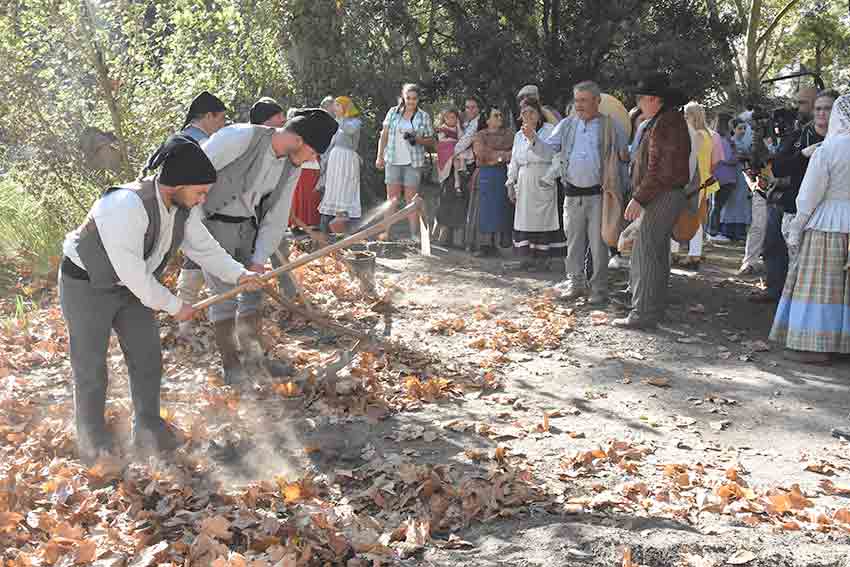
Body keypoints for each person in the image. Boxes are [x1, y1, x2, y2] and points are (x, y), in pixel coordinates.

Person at [60, 135, 261, 461]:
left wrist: (240, 274)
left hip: (132, 288)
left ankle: (149, 428)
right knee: (91, 365)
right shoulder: (124, 206)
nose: (202, 199)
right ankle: (92, 437)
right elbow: (133, 273)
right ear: (176, 184)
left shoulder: (182, 207)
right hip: (86, 285)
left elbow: (204, 248)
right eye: (199, 192)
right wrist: (174, 305)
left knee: (147, 356)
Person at [201, 109, 338, 384]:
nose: (314, 159)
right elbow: (190, 172)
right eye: (314, 152)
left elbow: (276, 216)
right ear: (300, 140)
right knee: (224, 298)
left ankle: (255, 362)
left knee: (253, 294)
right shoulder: (240, 137)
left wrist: (259, 260)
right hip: (213, 225)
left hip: (249, 227)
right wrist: (189, 232)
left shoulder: (292, 166)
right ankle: (232, 367)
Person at [769, 93, 850, 364]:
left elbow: (809, 195)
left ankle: (817, 345)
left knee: (821, 288)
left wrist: (797, 228)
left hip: (828, 222)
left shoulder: (828, 150)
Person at [532, 81, 628, 303]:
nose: (579, 105)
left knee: (598, 245)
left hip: (599, 195)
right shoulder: (566, 124)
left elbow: (625, 154)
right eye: (576, 100)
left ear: (597, 101)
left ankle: (599, 289)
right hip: (572, 194)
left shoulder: (610, 126)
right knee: (573, 243)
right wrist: (532, 139)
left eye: (584, 100)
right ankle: (575, 284)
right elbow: (548, 149)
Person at [613, 73, 691, 329]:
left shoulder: (665, 124)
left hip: (663, 194)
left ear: (654, 99)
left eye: (641, 98)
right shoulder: (665, 120)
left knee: (645, 251)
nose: (638, 103)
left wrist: (638, 197)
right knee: (655, 253)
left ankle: (643, 313)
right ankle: (652, 309)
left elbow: (659, 170)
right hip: (666, 193)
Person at [755, 90, 838, 304]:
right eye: (818, 108)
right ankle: (778, 292)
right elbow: (779, 167)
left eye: (826, 108)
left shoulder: (843, 138)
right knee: (780, 250)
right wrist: (802, 155)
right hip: (794, 206)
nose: (820, 113)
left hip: (830, 212)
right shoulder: (799, 137)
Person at [174, 91, 229, 342]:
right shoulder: (196, 142)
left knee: (196, 261)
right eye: (220, 120)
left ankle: (183, 325)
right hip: (192, 209)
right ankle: (184, 326)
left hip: (193, 209)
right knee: (198, 261)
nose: (222, 126)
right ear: (208, 116)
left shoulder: (185, 138)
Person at [507, 99, 566, 268]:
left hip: (543, 177)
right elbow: (514, 160)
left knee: (544, 220)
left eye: (532, 112)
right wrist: (511, 182)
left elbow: (555, 157)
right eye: (524, 112)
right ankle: (527, 258)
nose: (527, 115)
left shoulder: (549, 131)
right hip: (525, 180)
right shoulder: (519, 135)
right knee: (525, 219)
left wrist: (549, 177)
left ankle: (543, 259)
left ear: (539, 114)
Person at [376, 83, 435, 240]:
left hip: (413, 162)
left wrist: (417, 139)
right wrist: (379, 156)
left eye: (414, 99)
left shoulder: (423, 116)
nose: (410, 101)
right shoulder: (393, 112)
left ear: (418, 99)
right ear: (403, 97)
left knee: (411, 199)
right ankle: (386, 232)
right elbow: (384, 135)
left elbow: (431, 141)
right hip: (393, 160)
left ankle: (414, 234)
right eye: (408, 98)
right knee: (392, 199)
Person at [677, 101, 721, 269]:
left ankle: (693, 254)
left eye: (686, 114)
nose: (684, 117)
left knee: (690, 217)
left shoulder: (694, 135)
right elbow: (714, 162)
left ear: (693, 116)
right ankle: (691, 253)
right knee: (696, 217)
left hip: (692, 182)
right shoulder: (711, 135)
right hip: (704, 181)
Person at [467, 105, 514, 256]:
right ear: (487, 120)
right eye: (496, 115)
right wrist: (502, 156)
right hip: (485, 176)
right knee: (483, 211)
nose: (500, 118)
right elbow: (481, 153)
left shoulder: (509, 134)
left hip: (502, 176)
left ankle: (496, 244)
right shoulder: (479, 135)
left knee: (500, 209)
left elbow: (514, 152)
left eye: (500, 115)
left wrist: (496, 157)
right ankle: (482, 245)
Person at [319, 96, 362, 233]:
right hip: (335, 159)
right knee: (335, 189)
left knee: (345, 190)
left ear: (345, 107)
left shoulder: (355, 122)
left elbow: (349, 131)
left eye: (337, 105)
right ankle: (334, 226)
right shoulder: (336, 121)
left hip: (347, 159)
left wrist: (342, 117)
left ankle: (344, 226)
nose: (334, 108)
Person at [435, 108, 469, 245]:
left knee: (458, 207)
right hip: (448, 170)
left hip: (458, 167)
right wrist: (455, 147)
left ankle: (457, 240)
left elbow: (462, 141)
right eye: (448, 117)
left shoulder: (460, 129)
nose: (451, 120)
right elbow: (443, 145)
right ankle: (442, 237)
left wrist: (457, 147)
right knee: (445, 204)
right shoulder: (442, 130)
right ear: (444, 119)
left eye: (454, 117)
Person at [718, 119, 753, 242]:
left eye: (744, 128)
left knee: (741, 202)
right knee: (732, 202)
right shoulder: (730, 142)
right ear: (733, 129)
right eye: (739, 128)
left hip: (742, 175)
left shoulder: (743, 143)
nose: (742, 131)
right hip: (733, 175)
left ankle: (739, 230)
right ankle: (727, 230)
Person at [707, 114, 738, 240]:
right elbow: (729, 159)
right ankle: (712, 232)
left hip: (719, 176)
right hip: (723, 177)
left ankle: (711, 230)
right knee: (717, 205)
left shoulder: (714, 138)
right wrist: (736, 155)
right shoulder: (722, 140)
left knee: (715, 205)